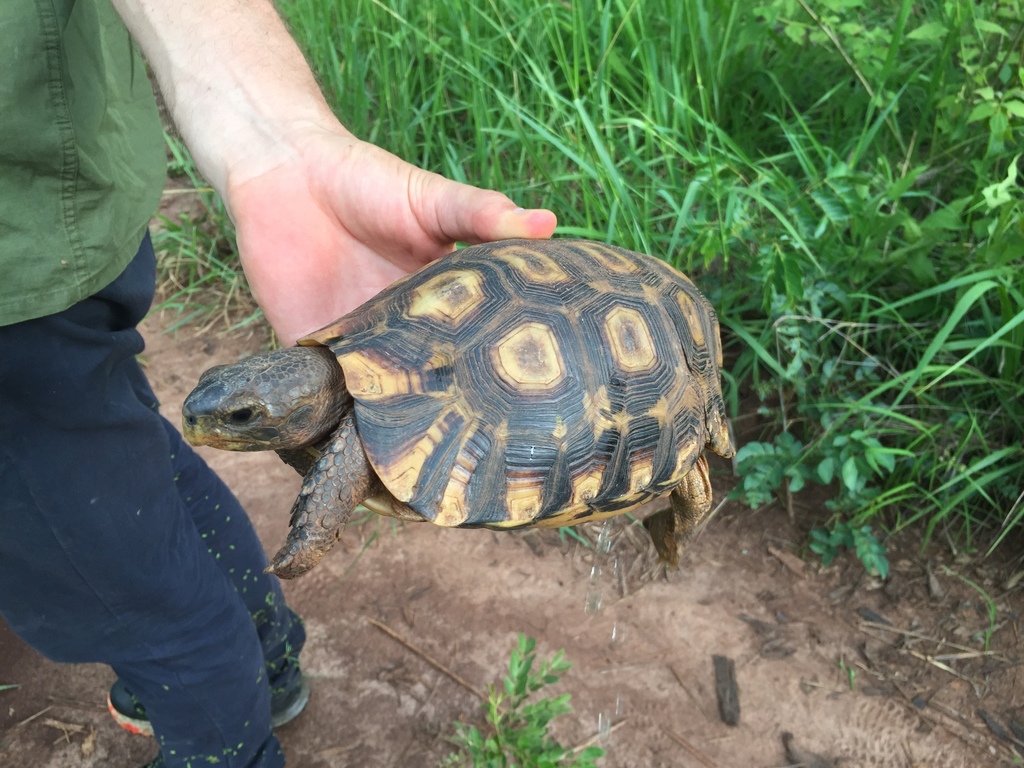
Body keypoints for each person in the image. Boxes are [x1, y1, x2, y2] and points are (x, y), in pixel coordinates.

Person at [0, 2, 557, 767]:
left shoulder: (346, 418)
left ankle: (225, 730)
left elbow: (345, 462)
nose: (222, 423)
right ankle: (267, 657)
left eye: (245, 416)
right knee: (122, 451)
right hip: (60, 226)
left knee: (143, 611)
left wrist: (284, 142)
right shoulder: (341, 371)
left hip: (19, 273)